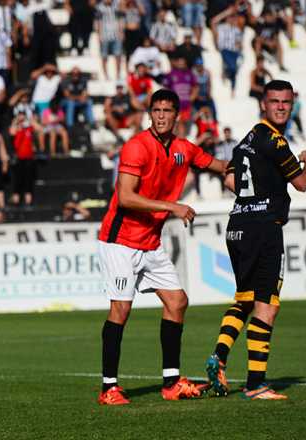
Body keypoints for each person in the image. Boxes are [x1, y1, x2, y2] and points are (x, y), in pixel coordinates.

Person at [96, 89, 229, 405]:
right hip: (119, 242)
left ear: (177, 115)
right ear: (150, 113)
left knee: (177, 301)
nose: (160, 115)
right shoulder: (136, 147)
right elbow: (126, 197)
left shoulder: (183, 148)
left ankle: (171, 383)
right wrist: (173, 206)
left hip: (149, 242)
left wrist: (258, 163)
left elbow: (220, 166)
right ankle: (108, 388)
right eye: (156, 110)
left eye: (167, 110)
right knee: (121, 309)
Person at [205, 80, 306, 400]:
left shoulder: (248, 139)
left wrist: (254, 191)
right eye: (275, 101)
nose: (281, 107)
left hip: (237, 226)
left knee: (245, 299)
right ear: (263, 105)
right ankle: (256, 384)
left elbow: (228, 178)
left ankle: (220, 356)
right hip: (264, 228)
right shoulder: (276, 142)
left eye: (286, 102)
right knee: (267, 306)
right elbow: (303, 184)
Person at [95, 0, 125, 80]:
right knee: (104, 56)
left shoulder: (116, 5)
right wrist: (99, 34)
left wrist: (121, 32)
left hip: (116, 34)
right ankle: (105, 75)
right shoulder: (99, 7)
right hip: (104, 35)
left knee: (118, 55)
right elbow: (97, 22)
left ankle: (118, 74)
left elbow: (121, 19)